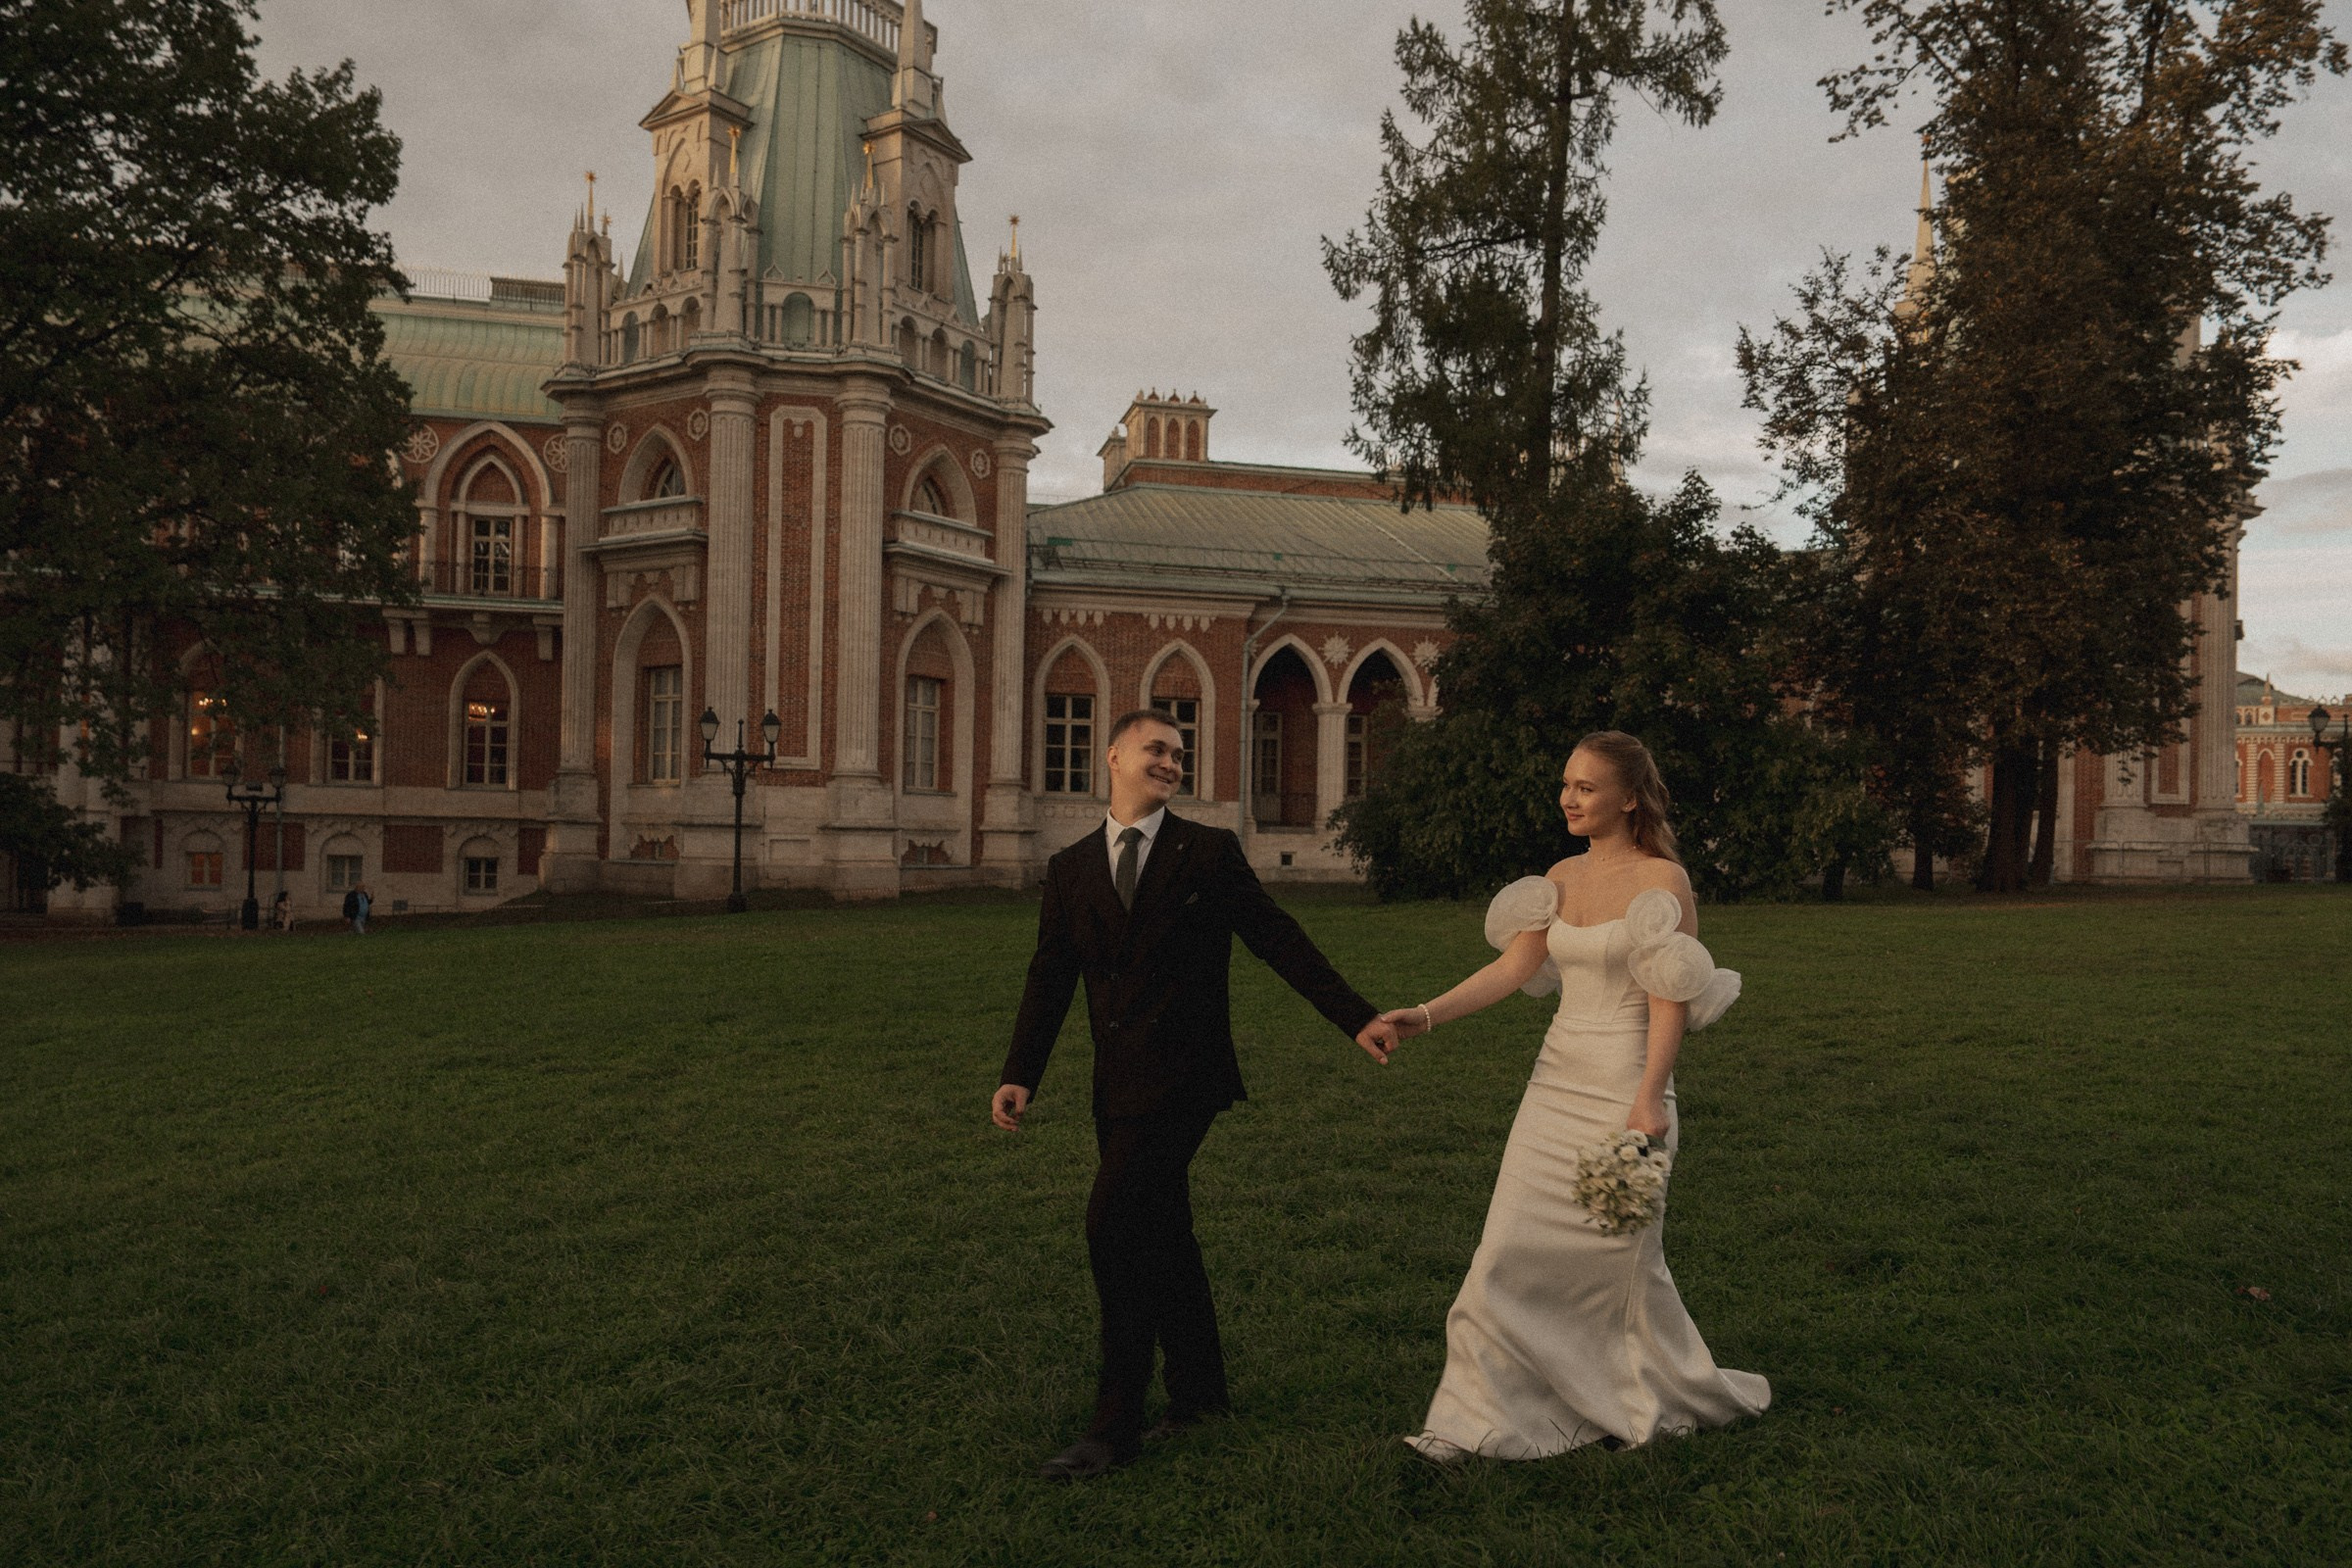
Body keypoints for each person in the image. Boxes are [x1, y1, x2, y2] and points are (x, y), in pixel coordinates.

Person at [992, 709, 1400, 1481]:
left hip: (1186, 1080)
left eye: (1180, 755)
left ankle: (1113, 1428)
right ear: (1114, 756)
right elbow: (1049, 977)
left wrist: (1356, 1018)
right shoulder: (1071, 866)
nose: (1173, 763)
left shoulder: (1207, 852)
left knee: (1113, 1227)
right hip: (1113, 1087)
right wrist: (1021, 1072)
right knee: (1163, 1230)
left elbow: (1276, 937)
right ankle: (1201, 1392)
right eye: (1157, 750)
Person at [1381, 730, 1767, 1460]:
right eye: (1566, 784)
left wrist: (1650, 1100)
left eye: (1586, 787)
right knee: (1501, 1253)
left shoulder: (1664, 882)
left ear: (1629, 797)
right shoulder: (1557, 876)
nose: (1569, 797)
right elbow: (1511, 970)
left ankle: (1635, 1402)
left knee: (1618, 1263)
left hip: (1626, 1087)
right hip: (1553, 1085)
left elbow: (1669, 1000)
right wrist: (1423, 1015)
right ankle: (1468, 1424)